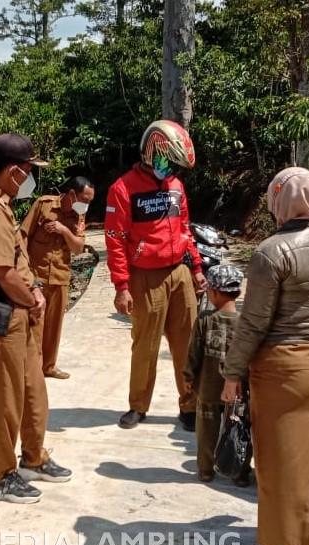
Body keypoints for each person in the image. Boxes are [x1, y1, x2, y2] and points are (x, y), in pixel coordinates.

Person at [221, 166, 309, 545]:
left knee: (280, 461)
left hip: (284, 370)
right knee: (307, 456)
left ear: (278, 202)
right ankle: (308, 538)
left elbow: (254, 322)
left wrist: (232, 373)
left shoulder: (270, 253)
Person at [0, 133, 72, 503]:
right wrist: (33, 296)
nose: (31, 178)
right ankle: (2, 474)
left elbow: (19, 263)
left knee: (31, 388)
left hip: (19, 309)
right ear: (13, 172)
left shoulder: (2, 202)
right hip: (3, 311)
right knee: (5, 397)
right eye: (28, 171)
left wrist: (35, 291)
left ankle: (33, 457)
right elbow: (4, 271)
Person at [105, 119, 206, 431]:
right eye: (170, 162)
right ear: (153, 153)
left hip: (180, 272)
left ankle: (189, 405)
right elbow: (115, 240)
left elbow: (186, 229)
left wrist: (197, 268)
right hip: (145, 277)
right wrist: (122, 286)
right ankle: (138, 406)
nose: (172, 170)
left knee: (187, 343)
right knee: (145, 344)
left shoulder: (176, 186)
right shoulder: (122, 189)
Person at [20, 176, 94, 379]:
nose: (86, 205)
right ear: (71, 194)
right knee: (36, 323)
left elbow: (78, 248)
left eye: (89, 202)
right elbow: (24, 234)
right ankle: (33, 368)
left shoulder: (78, 217)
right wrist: (24, 268)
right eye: (84, 200)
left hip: (61, 276)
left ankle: (49, 366)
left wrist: (63, 231)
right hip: (38, 276)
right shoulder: (44, 205)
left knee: (54, 325)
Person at [183, 265, 244, 482]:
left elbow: (194, 352)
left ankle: (206, 469)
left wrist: (188, 376)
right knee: (239, 428)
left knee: (206, 431)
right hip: (239, 390)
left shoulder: (204, 319)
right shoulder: (246, 323)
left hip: (208, 387)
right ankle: (241, 472)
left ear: (215, 292)